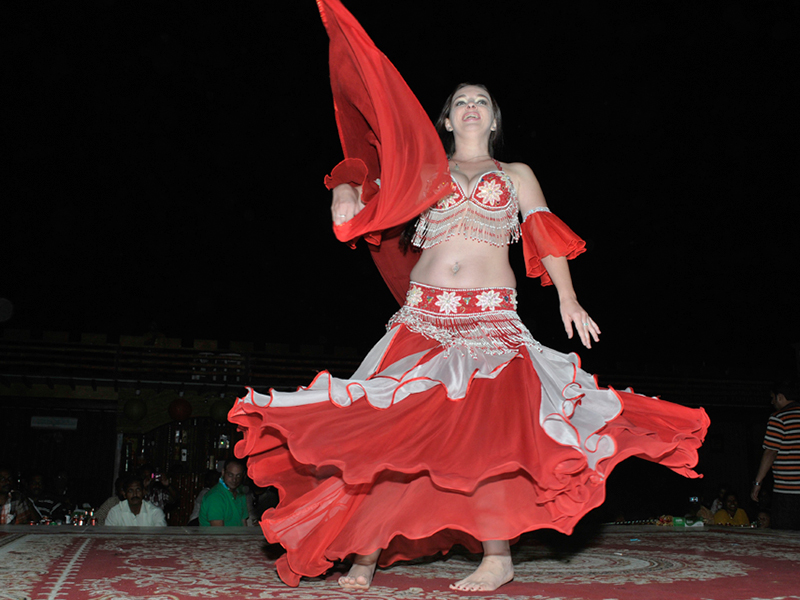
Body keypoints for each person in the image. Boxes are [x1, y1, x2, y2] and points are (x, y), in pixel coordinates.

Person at [229, 0, 709, 593]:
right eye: (461, 101)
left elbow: (544, 236)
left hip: (491, 322)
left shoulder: (517, 174)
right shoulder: (423, 173)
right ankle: (364, 554)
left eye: (482, 100)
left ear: (494, 119)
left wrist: (568, 297)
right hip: (424, 316)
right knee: (389, 435)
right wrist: (344, 194)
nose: (472, 106)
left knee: (490, 440)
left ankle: (498, 554)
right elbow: (359, 162)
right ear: (447, 121)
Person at [751, 381, 800, 530]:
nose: (772, 402)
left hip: (788, 490)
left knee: (785, 533)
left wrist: (758, 483)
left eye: (773, 398)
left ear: (780, 397)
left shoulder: (779, 417)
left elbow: (771, 452)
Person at [198, 459, 249, 527]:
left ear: (243, 475)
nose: (234, 479)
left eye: (238, 476)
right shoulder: (215, 497)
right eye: (230, 475)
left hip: (235, 537)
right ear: (223, 472)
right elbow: (219, 533)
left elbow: (243, 523)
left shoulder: (240, 492)